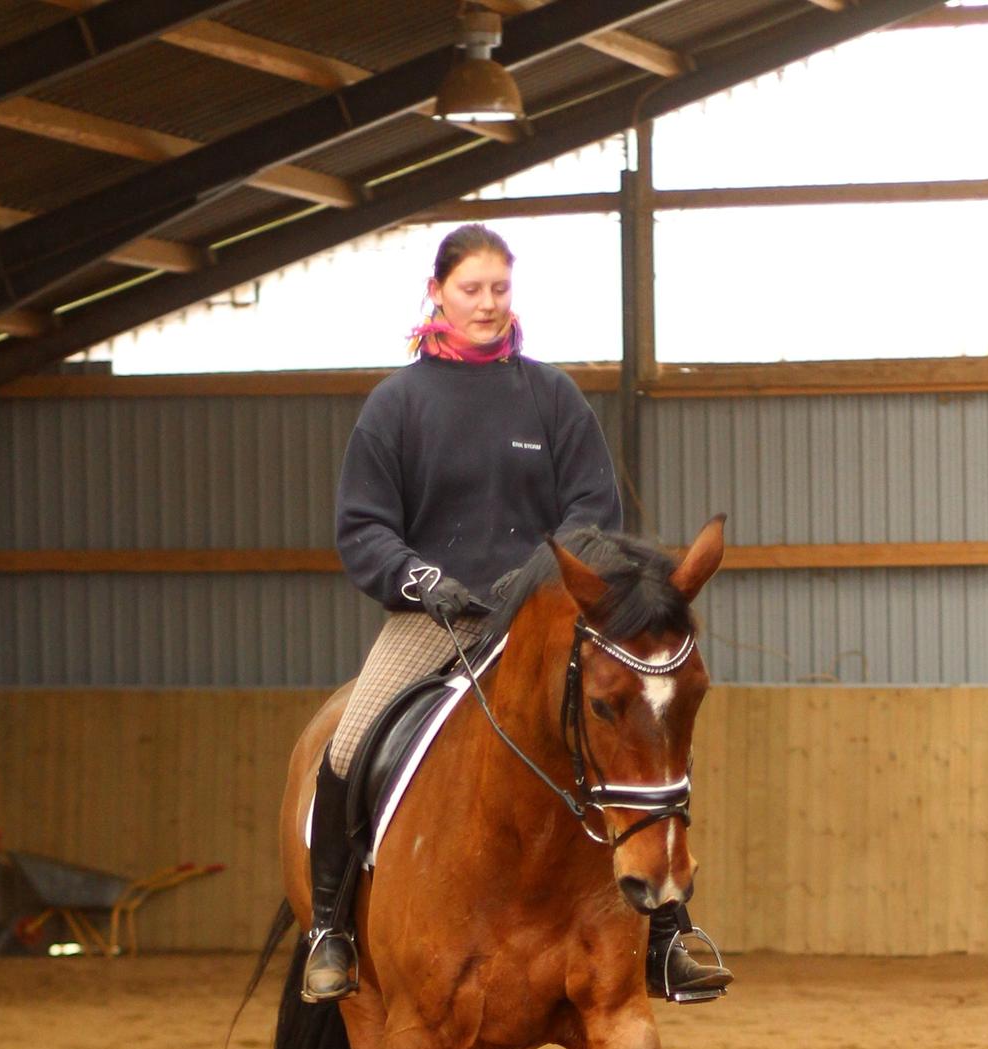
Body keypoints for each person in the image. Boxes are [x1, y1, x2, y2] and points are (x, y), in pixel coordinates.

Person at [302, 223, 732, 1005]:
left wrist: (536, 585)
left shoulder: (552, 396)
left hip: (540, 622)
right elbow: (364, 526)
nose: (488, 304)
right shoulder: (396, 406)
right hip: (434, 620)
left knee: (636, 737)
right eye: (471, 289)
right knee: (349, 744)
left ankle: (668, 934)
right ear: (437, 292)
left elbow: (591, 513)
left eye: (500, 289)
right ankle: (329, 928)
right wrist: (421, 579)